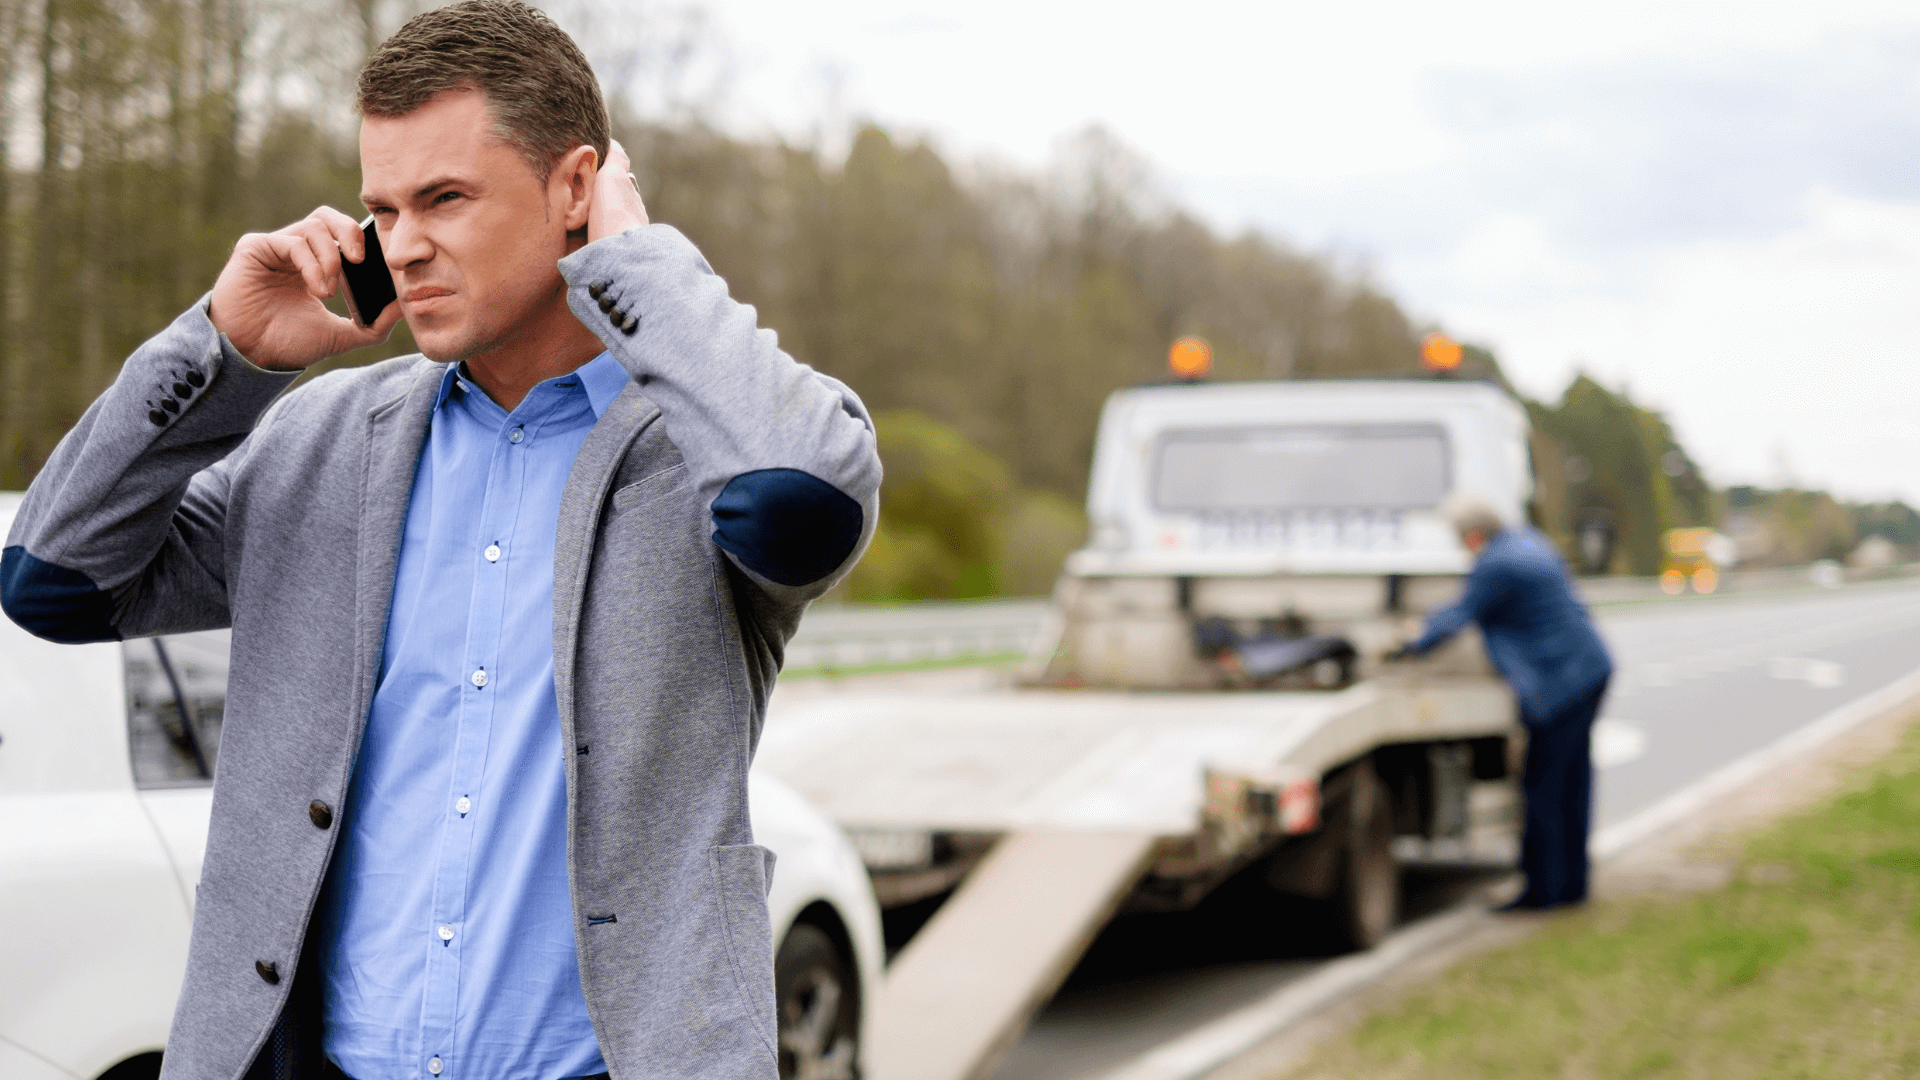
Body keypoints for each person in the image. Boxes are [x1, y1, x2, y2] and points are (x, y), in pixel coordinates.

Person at [0, 3, 880, 1077]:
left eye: (446, 199)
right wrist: (223, 354)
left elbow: (805, 504)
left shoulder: (711, 444)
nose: (402, 245)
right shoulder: (316, 444)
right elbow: (50, 579)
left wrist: (640, 263)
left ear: (574, 191)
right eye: (383, 207)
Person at [1396, 492, 1612, 910]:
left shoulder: (1498, 563)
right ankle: (1572, 886)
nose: (1462, 546)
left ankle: (1544, 892)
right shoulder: (1528, 542)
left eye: (1461, 538)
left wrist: (1410, 643)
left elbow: (1461, 612)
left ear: (1474, 534)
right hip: (1587, 668)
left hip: (1559, 682)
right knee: (1572, 785)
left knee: (1543, 788)